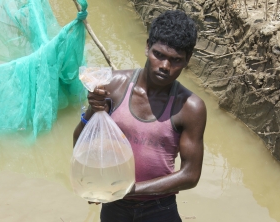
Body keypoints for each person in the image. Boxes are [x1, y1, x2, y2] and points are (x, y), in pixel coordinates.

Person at [73, 10, 206, 222]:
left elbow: (190, 175)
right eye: (158, 55)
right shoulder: (113, 86)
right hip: (115, 206)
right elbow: (81, 143)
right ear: (147, 47)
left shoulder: (190, 107)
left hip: (159, 208)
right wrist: (93, 110)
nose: (164, 66)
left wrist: (129, 189)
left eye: (176, 60)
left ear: (187, 60)